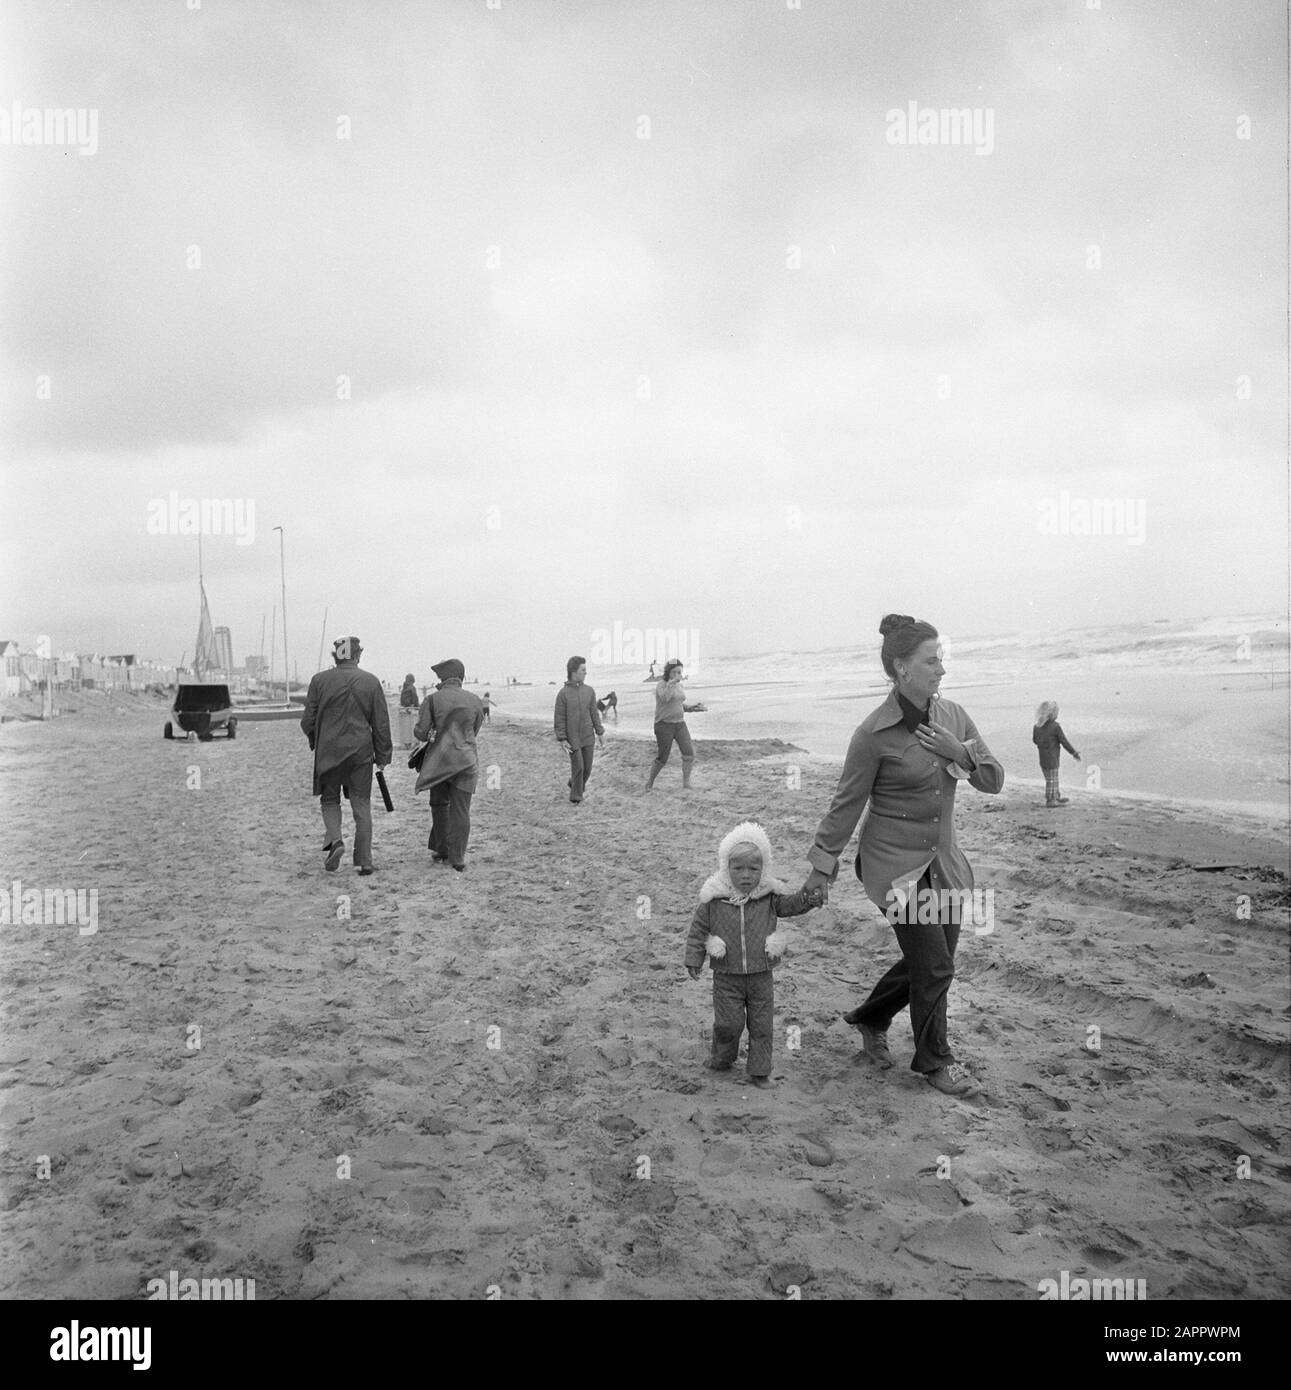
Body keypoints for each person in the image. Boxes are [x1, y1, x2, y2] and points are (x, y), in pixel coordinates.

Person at [803, 615, 1004, 1098]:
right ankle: (935, 1063)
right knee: (934, 966)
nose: (941, 669)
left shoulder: (954, 717)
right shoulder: (873, 734)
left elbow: (994, 781)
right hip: (894, 868)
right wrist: (820, 866)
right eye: (930, 660)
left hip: (946, 868)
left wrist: (964, 752)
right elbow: (846, 804)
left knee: (930, 963)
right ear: (902, 668)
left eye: (941, 659)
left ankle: (870, 1018)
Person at [685, 821, 823, 1088]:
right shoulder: (714, 898)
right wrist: (694, 958)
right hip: (726, 976)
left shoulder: (769, 897)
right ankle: (722, 1058)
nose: (746, 875)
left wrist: (808, 899)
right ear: (727, 867)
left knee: (762, 1026)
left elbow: (792, 905)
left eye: (753, 868)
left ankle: (760, 1072)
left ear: (764, 868)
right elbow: (698, 929)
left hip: (761, 975)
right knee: (728, 1024)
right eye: (738, 868)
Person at [300, 635, 392, 877]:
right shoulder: (371, 682)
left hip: (329, 751)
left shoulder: (319, 680)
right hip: (361, 751)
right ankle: (364, 862)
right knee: (361, 803)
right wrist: (383, 755)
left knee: (330, 800)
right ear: (358, 655)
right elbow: (381, 724)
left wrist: (316, 740)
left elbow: (307, 721)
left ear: (336, 656)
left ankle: (337, 840)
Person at [413, 658, 484, 871]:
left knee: (439, 804)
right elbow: (476, 728)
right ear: (461, 677)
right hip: (466, 760)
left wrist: (433, 730)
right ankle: (458, 858)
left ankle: (442, 850)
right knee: (462, 811)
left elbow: (422, 732)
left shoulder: (432, 700)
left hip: (440, 760)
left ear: (443, 678)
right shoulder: (475, 700)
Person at [553, 656, 604, 804]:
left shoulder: (589, 691)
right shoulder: (563, 694)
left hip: (588, 736)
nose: (585, 673)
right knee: (579, 768)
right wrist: (562, 738)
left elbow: (594, 713)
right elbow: (559, 718)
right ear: (574, 672)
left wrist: (599, 732)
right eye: (583, 670)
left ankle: (574, 784)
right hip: (572, 739)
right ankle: (576, 798)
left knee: (587, 769)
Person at [645, 658, 695, 790]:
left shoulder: (680, 685)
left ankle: (686, 783)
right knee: (663, 758)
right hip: (664, 725)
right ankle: (650, 782)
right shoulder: (661, 684)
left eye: (679, 672)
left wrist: (690, 708)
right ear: (668, 672)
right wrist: (671, 684)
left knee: (689, 754)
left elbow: (677, 703)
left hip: (680, 724)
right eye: (674, 672)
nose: (677, 675)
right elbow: (665, 699)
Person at [1033, 701, 1081, 807]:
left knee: (1050, 778)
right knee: (1052, 779)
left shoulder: (1037, 727)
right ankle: (1051, 800)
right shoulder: (1055, 726)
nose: (1057, 715)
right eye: (1056, 713)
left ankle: (1056, 796)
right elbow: (1064, 741)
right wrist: (1074, 752)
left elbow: (1035, 741)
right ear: (1052, 714)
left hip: (1043, 758)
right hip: (1052, 758)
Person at [398, 673, 419, 748]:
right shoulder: (412, 687)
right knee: (412, 725)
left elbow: (402, 698)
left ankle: (407, 742)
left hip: (404, 708)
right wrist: (417, 706)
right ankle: (414, 741)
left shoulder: (404, 687)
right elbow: (415, 697)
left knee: (405, 726)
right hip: (411, 708)